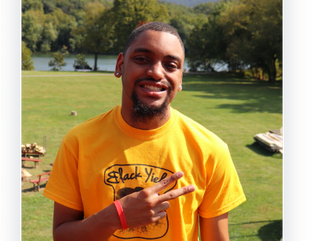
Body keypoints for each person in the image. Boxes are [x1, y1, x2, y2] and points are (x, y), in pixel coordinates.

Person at [43, 22, 246, 241]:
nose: (156, 72)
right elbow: (62, 236)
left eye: (170, 65)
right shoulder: (79, 142)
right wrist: (116, 216)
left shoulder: (211, 150)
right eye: (142, 59)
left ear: (180, 79)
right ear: (120, 64)